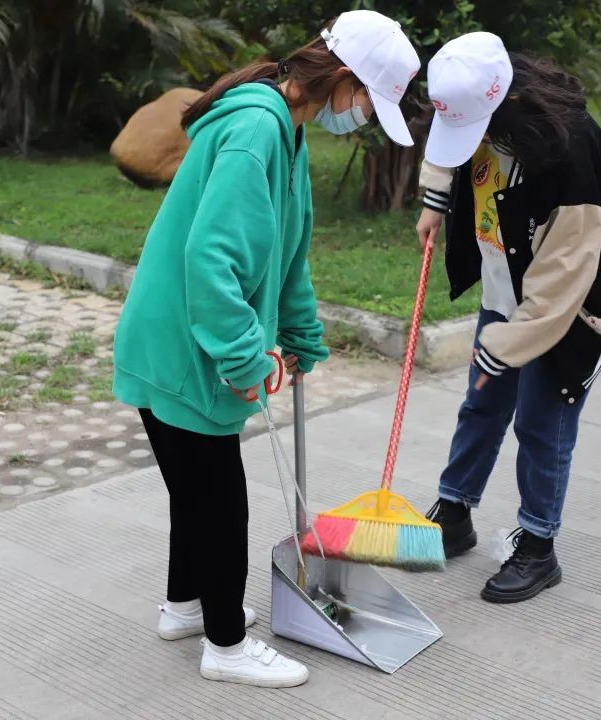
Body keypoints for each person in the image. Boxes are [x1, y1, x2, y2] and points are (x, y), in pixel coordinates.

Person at [113, 10, 420, 687]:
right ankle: (225, 645)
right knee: (221, 503)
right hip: (183, 346)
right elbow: (210, 261)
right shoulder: (257, 129)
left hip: (178, 336)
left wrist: (302, 335)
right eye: (370, 102)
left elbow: (287, 254)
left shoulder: (287, 129)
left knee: (196, 493)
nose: (365, 118)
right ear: (343, 78)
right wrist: (245, 357)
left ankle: (186, 608)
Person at [415, 33, 601, 603]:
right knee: (481, 403)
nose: (470, 137)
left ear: (505, 101)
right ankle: (455, 512)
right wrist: (436, 198)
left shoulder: (568, 146)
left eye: (474, 126)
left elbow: (564, 275)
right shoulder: (481, 106)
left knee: (541, 421)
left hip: (570, 308)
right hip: (503, 284)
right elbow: (449, 145)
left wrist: (506, 345)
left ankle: (538, 545)